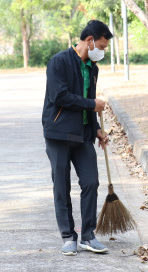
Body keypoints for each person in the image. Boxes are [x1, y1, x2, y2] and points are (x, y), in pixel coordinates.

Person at [42, 20, 113, 256]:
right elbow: (60, 96)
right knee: (61, 186)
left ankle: (88, 235)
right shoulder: (58, 62)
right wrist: (92, 105)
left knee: (91, 181)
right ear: (89, 40)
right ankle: (68, 236)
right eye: (101, 46)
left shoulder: (93, 67)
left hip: (83, 135)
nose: (101, 51)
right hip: (59, 134)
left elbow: (89, 102)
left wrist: (96, 130)